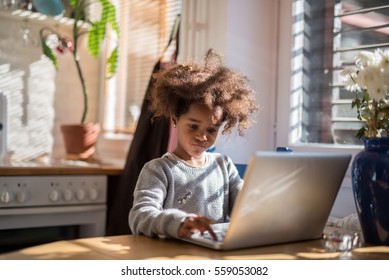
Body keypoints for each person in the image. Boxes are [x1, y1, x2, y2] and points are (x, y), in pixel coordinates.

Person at [129, 49, 258, 241]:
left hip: (213, 255)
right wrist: (180, 223)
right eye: (193, 126)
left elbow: (246, 205)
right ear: (175, 119)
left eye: (211, 130)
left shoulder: (224, 165)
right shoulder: (158, 170)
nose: (202, 136)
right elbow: (140, 216)